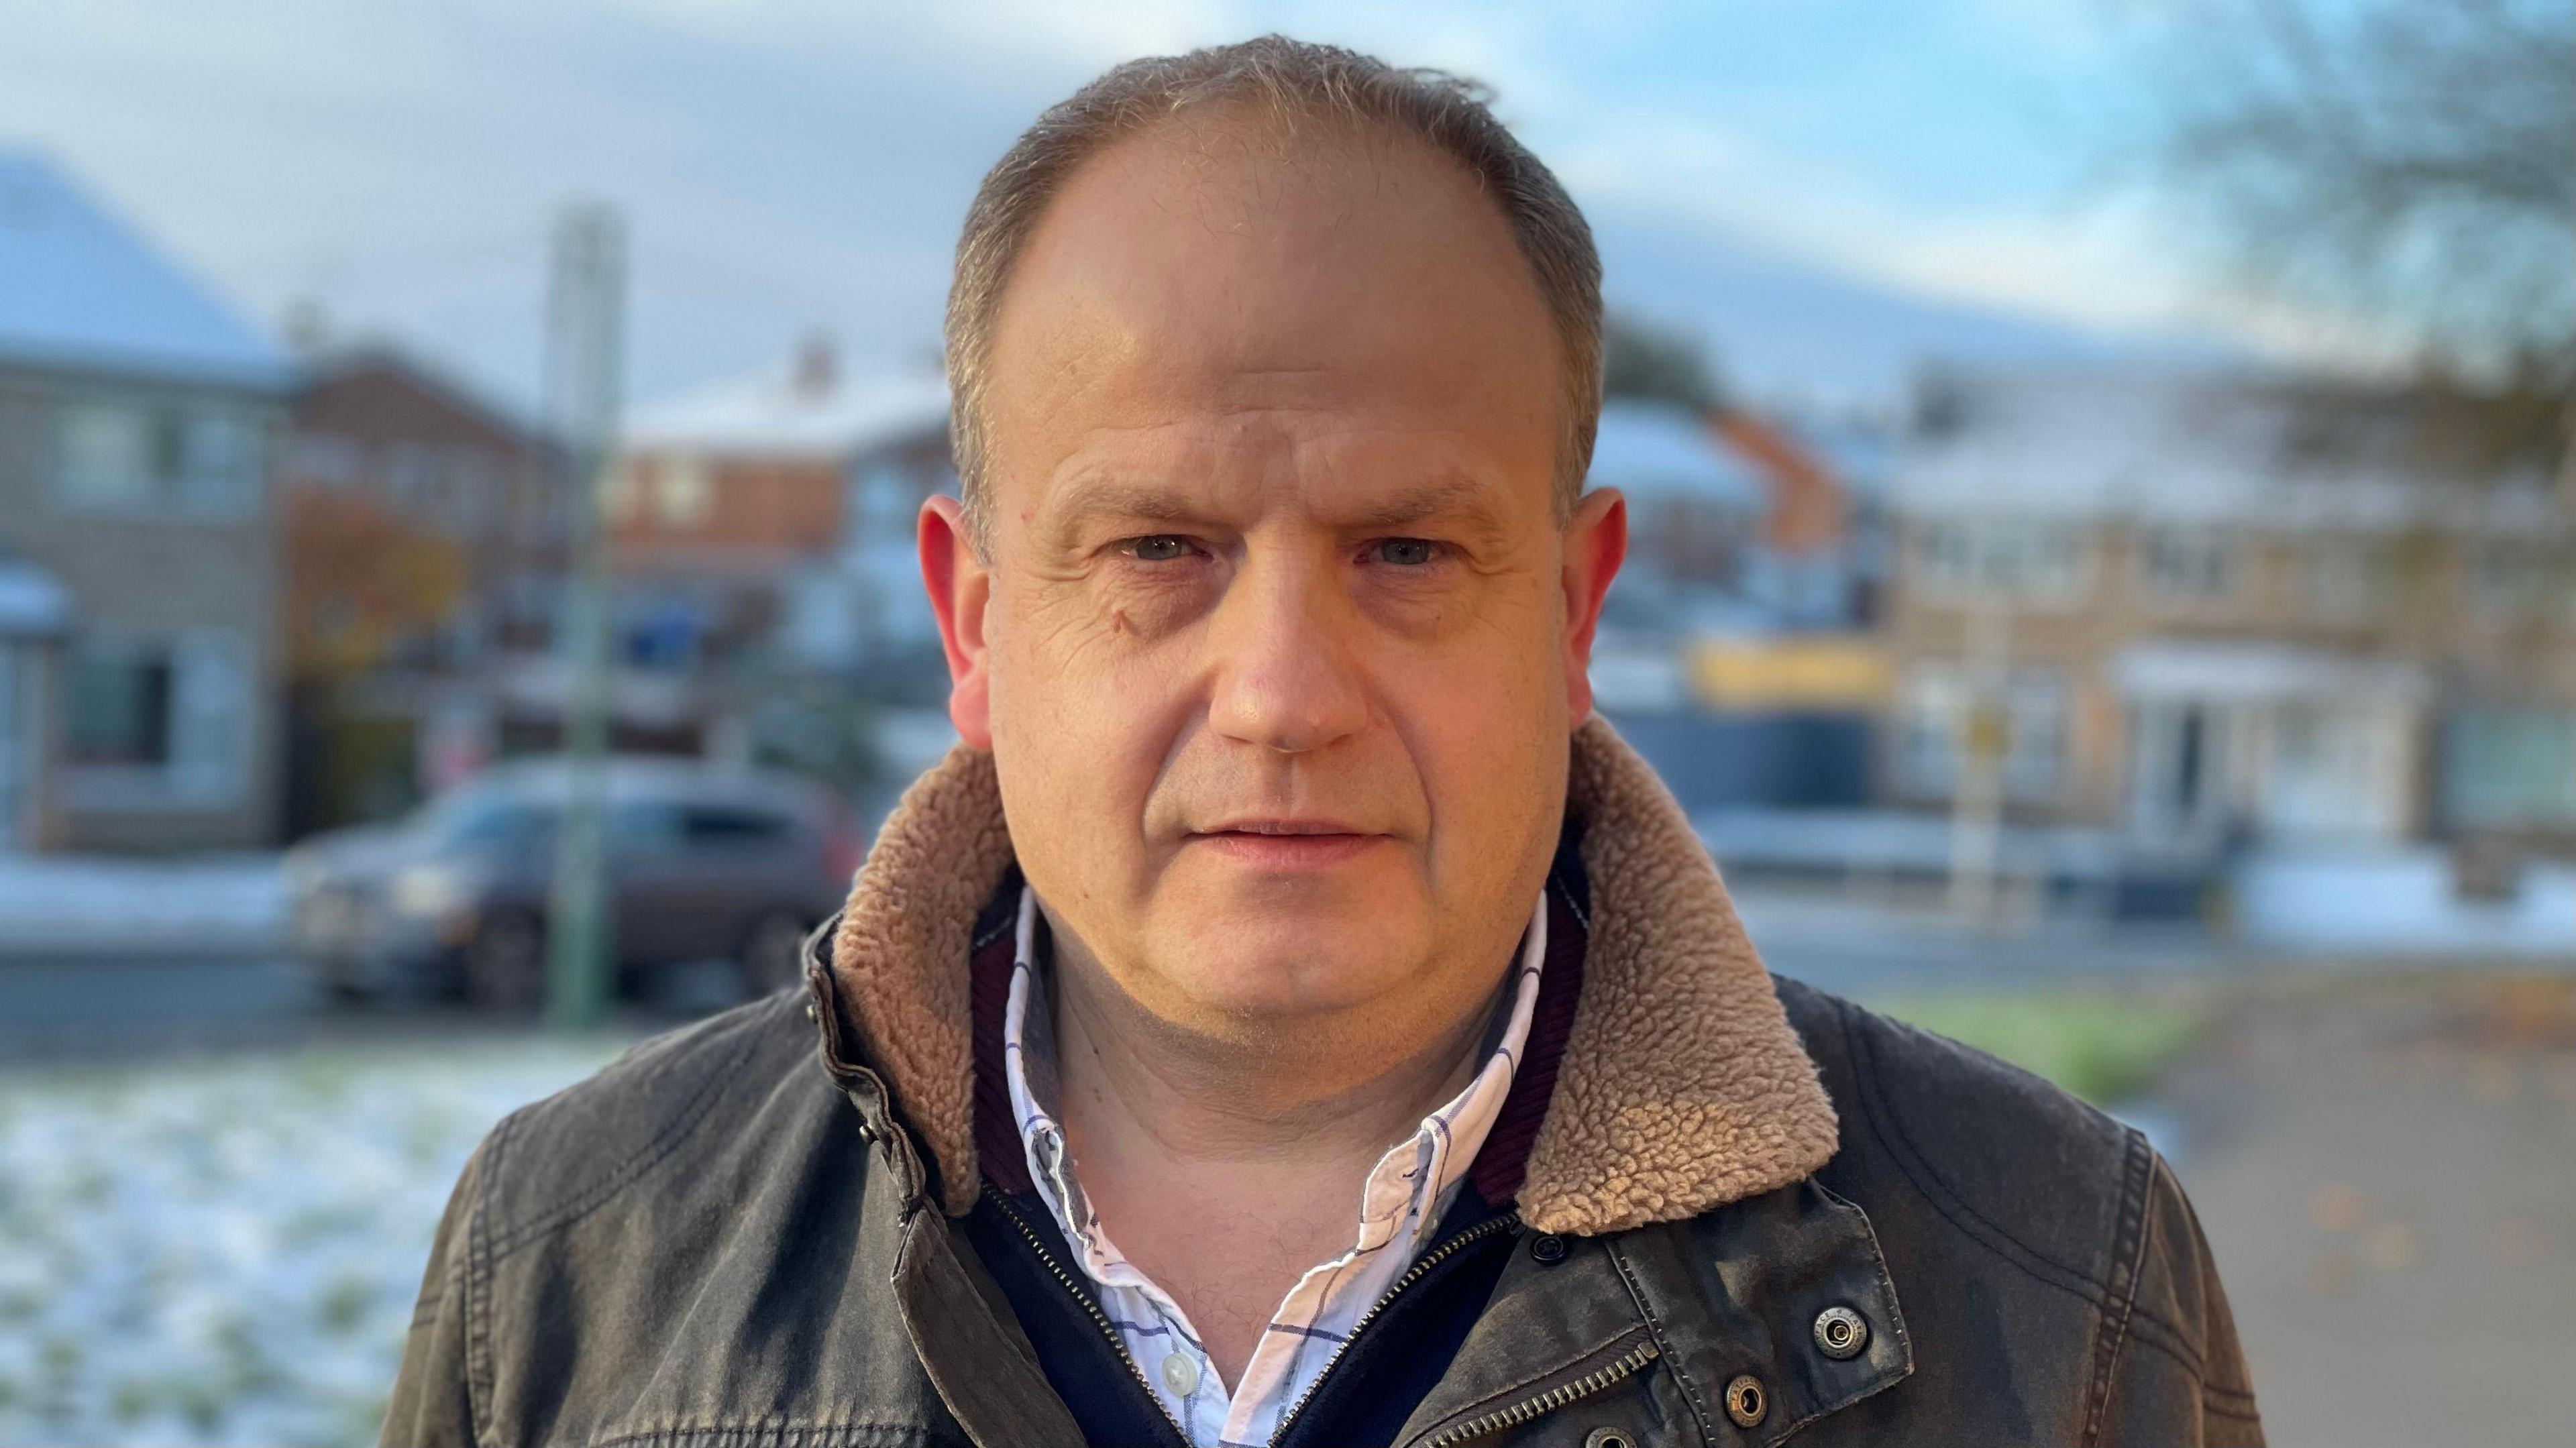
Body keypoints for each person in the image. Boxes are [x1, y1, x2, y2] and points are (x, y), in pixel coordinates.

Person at [384, 36, 2261, 1448]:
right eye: (1158, 551)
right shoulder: (569, 1271)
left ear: (1574, 610)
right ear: (974, 624)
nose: (1284, 691)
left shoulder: (2056, 1282)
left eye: (1410, 550)